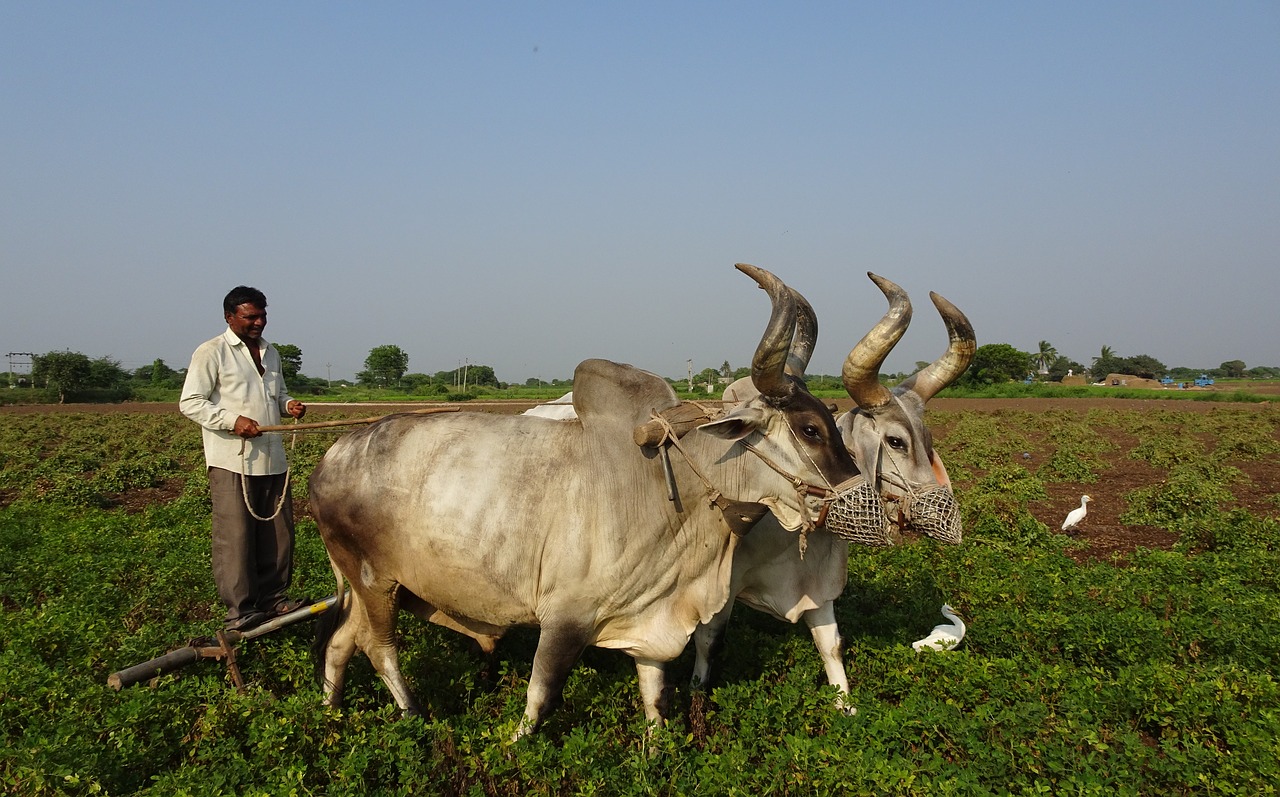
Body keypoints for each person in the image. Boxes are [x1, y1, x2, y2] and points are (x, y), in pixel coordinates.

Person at [180, 286, 309, 631]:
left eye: (263, 315)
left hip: (273, 458)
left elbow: (277, 394)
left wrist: (288, 405)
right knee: (236, 537)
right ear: (229, 317)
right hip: (232, 460)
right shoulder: (212, 352)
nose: (259, 322)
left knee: (279, 535)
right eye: (250, 316)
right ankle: (240, 611)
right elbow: (190, 402)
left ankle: (275, 599)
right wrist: (232, 421)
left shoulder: (272, 353)